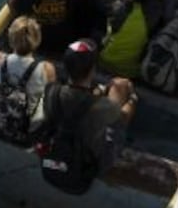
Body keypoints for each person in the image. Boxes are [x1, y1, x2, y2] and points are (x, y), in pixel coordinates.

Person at [37, 39, 138, 193]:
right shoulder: (102, 107)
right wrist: (132, 99)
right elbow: (123, 117)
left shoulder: (52, 91)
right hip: (86, 164)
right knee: (120, 90)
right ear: (92, 70)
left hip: (56, 152)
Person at [0, 15, 55, 140]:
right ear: (37, 39)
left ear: (10, 38)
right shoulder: (46, 68)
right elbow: (52, 96)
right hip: (30, 127)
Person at [100, 0, 151, 79]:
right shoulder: (148, 14)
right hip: (131, 70)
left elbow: (107, 38)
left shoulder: (119, 10)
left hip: (109, 63)